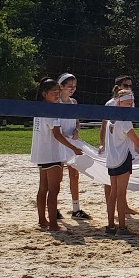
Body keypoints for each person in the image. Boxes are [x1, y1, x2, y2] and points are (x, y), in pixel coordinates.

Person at [99, 85, 139, 236]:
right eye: (127, 103)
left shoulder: (110, 119)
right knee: (120, 194)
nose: (131, 105)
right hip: (122, 160)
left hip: (112, 160)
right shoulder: (125, 121)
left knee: (113, 193)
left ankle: (110, 226)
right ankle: (122, 227)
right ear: (119, 103)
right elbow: (138, 142)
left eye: (132, 102)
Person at [32, 78, 86, 232]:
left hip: (41, 154)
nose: (57, 94)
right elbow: (57, 134)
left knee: (43, 188)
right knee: (53, 190)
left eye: (58, 91)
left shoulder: (37, 108)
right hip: (52, 154)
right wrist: (73, 148)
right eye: (53, 92)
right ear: (44, 94)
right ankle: (54, 224)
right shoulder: (52, 110)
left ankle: (43, 220)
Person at [56, 73, 92, 220]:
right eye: (69, 86)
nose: (72, 89)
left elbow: (76, 121)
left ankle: (76, 209)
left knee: (74, 175)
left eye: (74, 86)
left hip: (72, 142)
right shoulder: (56, 103)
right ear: (61, 86)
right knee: (57, 177)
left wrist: (77, 130)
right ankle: (54, 208)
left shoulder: (74, 102)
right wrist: (61, 132)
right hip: (59, 142)